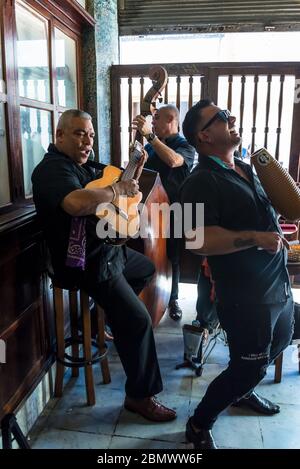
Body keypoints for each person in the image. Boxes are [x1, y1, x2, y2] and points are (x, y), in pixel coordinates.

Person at [31, 109, 176, 422]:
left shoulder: (84, 164)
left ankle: (105, 316)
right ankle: (140, 396)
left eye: (91, 135)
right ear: (59, 135)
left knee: (146, 269)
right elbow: (76, 203)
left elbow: (117, 185)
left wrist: (133, 174)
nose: (87, 141)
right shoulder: (52, 170)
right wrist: (117, 191)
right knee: (138, 321)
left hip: (106, 252)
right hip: (83, 263)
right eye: (79, 133)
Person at [180, 99, 294, 449]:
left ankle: (243, 392)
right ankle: (199, 423)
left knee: (279, 343)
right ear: (203, 136)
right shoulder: (197, 182)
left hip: (277, 286)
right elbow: (193, 239)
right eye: (221, 117)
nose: (231, 119)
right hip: (247, 297)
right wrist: (255, 239)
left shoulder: (245, 167)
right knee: (249, 365)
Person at [132, 105, 195, 321]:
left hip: (175, 209)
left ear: (171, 119)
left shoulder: (186, 145)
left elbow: (173, 161)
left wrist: (149, 135)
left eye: (156, 118)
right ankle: (147, 296)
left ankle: (173, 298)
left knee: (172, 256)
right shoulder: (150, 147)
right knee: (148, 255)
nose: (153, 121)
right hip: (149, 212)